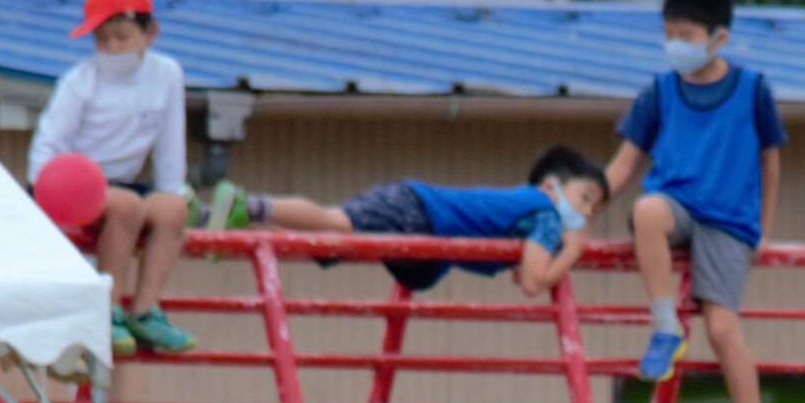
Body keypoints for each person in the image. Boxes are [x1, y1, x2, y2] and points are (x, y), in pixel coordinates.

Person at [606, 0, 789, 403]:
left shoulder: (751, 90)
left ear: (718, 38)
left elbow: (770, 161)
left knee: (723, 327)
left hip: (730, 219)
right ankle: (665, 326)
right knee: (646, 211)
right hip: (677, 205)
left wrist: (763, 228)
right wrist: (577, 205)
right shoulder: (661, 92)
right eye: (668, 33)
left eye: (685, 35)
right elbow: (622, 166)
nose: (674, 45)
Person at [197, 147, 609, 299]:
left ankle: (224, 228)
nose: (586, 214)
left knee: (325, 243)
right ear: (551, 186)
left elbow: (523, 273)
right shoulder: (546, 215)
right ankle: (248, 205)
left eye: (595, 209)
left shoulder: (529, 212)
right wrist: (573, 248)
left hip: (419, 216)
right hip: (419, 213)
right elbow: (535, 282)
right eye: (584, 199)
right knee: (335, 224)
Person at [28, 0, 196, 358]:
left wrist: (173, 192)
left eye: (121, 37)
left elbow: (170, 146)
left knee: (171, 209)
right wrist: (49, 195)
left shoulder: (167, 74)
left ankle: (145, 310)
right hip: (72, 182)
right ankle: (109, 309)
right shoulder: (79, 82)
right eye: (102, 40)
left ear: (150, 33)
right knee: (127, 206)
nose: (112, 48)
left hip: (125, 184)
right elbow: (46, 150)